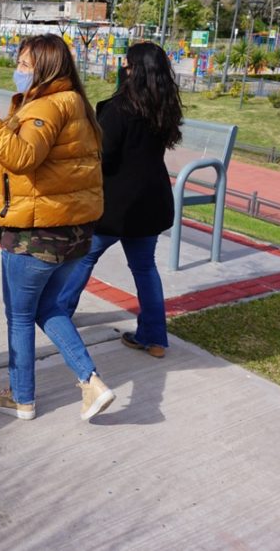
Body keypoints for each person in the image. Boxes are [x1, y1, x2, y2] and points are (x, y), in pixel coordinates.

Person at [0, 34, 114, 423]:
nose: (19, 71)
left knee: (19, 315)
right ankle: (90, 381)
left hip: (36, 234)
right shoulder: (74, 101)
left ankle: (22, 397)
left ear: (45, 68)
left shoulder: (47, 106)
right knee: (48, 307)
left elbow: (22, 156)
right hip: (72, 231)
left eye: (25, 65)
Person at [63, 42, 183, 359]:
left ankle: (58, 313)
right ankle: (155, 337)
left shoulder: (118, 108)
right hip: (151, 201)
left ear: (135, 69)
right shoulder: (164, 106)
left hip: (115, 205)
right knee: (145, 269)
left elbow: (103, 154)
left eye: (126, 64)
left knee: (82, 258)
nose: (123, 68)